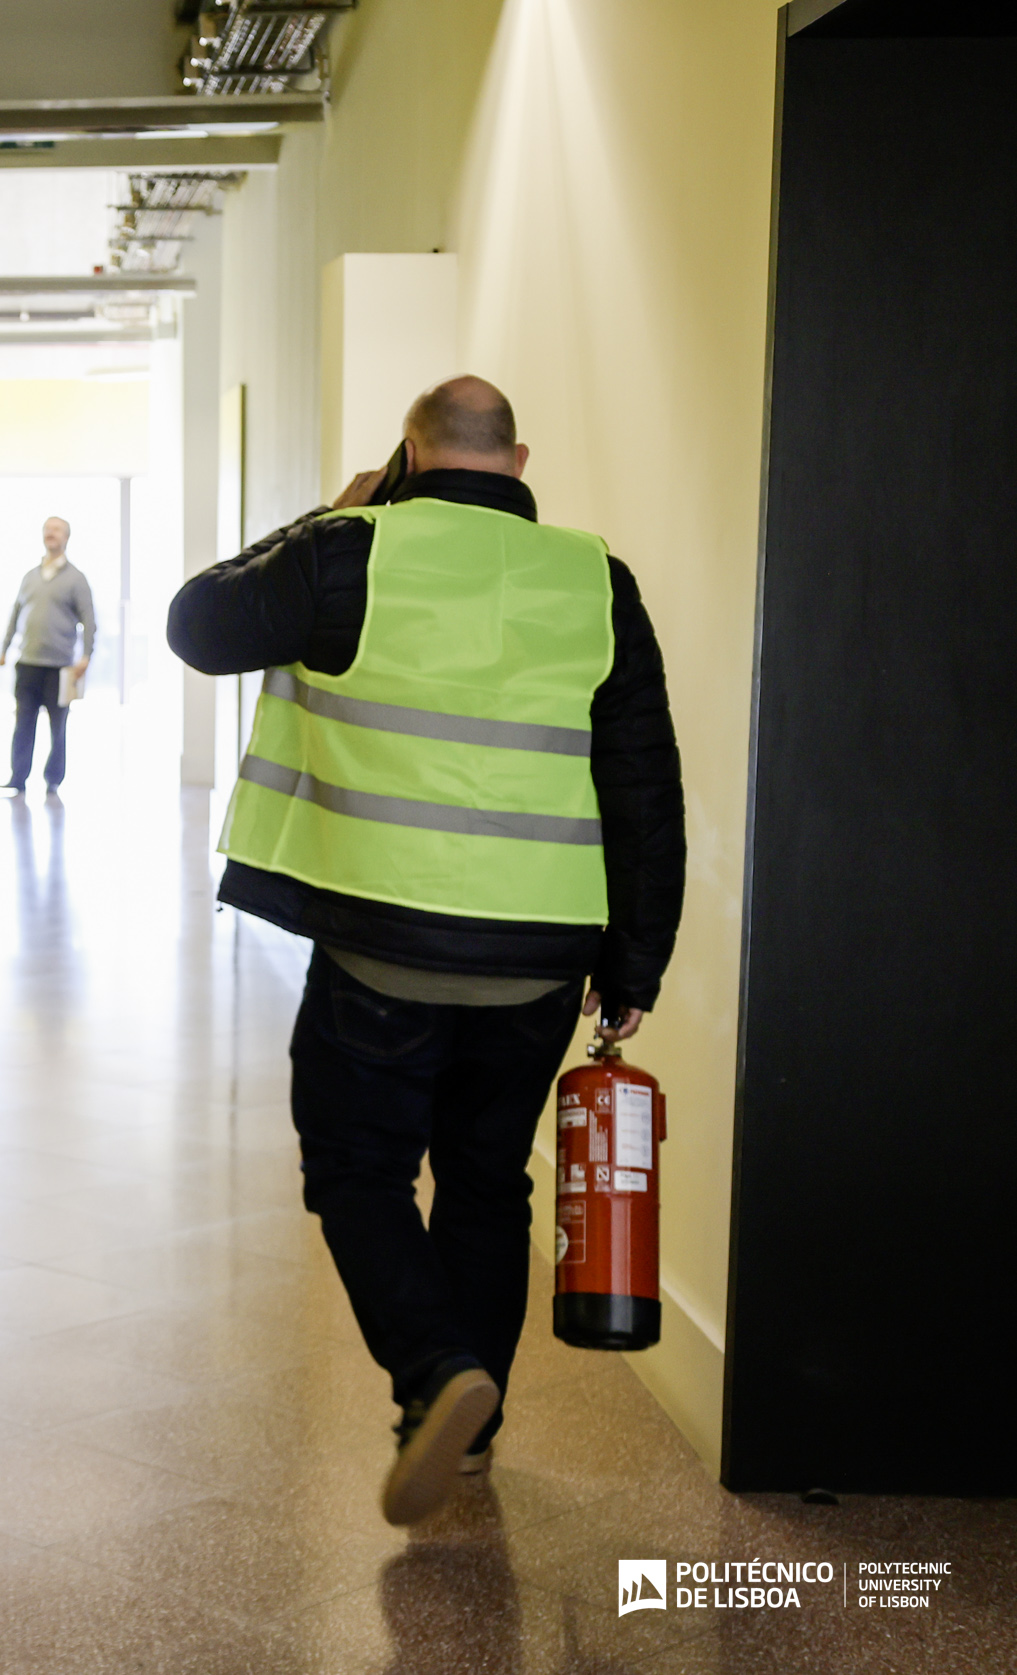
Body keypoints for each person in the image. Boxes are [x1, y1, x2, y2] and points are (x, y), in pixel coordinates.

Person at [168, 376, 684, 1527]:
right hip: (542, 959)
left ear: (408, 453)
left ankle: (433, 1372)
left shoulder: (349, 552)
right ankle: (472, 1434)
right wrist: (633, 966)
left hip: (382, 949)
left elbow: (195, 624)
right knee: (486, 1182)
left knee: (356, 1172)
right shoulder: (592, 577)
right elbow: (641, 782)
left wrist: (323, 516)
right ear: (518, 457)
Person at [0, 515, 97, 796]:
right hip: (27, 663)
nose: (51, 533)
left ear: (66, 537)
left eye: (57, 530)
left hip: (60, 667)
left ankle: (53, 779)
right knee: (23, 723)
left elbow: (89, 620)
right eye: (47, 529)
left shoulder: (76, 579)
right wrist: (4, 648)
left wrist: (86, 655)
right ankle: (18, 777)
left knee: (58, 727)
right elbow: (15, 614)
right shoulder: (30, 576)